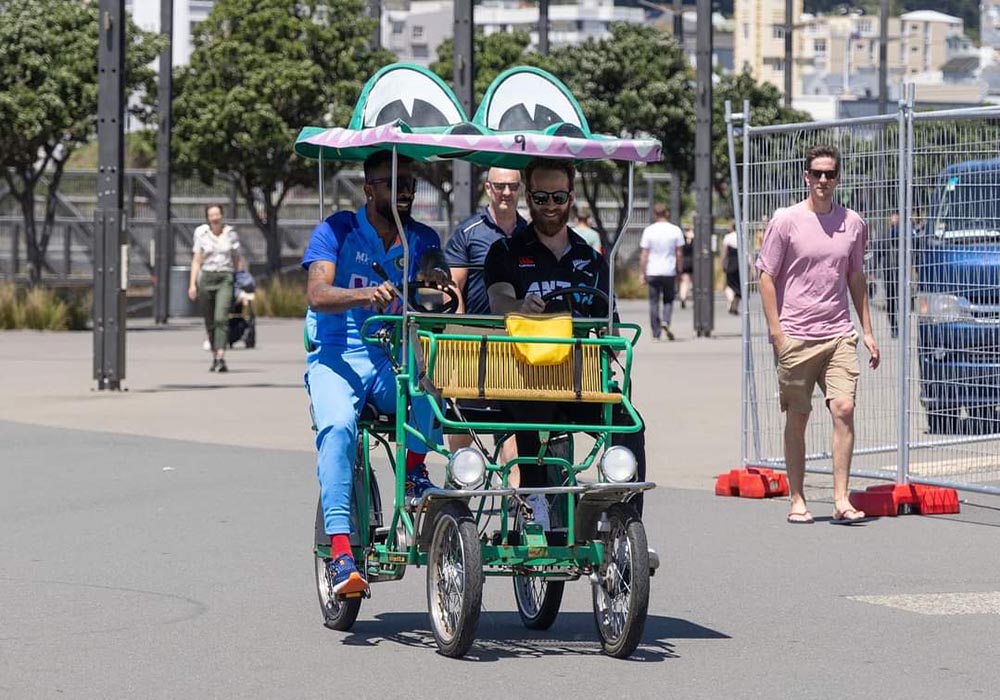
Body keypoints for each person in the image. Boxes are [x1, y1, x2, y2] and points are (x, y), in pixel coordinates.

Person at [302, 151, 449, 595]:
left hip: (389, 353)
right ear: (369, 188)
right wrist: (364, 294)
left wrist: (438, 279)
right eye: (394, 183)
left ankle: (415, 475)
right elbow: (317, 293)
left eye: (411, 184)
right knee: (340, 428)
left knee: (432, 384)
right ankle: (342, 555)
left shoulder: (421, 236)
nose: (405, 191)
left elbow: (435, 274)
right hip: (337, 353)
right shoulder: (337, 230)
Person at [484, 157, 647, 525]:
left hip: (578, 380)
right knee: (530, 413)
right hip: (523, 377)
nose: (550, 206)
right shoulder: (506, 252)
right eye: (541, 197)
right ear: (528, 197)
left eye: (558, 197)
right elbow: (499, 302)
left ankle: (624, 516)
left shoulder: (590, 259)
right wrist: (521, 307)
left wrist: (608, 338)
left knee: (630, 424)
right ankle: (536, 500)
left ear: (571, 198)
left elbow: (611, 327)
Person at [755, 144, 880, 525]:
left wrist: (868, 331)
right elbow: (766, 276)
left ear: (838, 178)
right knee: (799, 416)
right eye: (817, 173)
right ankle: (797, 498)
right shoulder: (786, 220)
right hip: (796, 335)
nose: (823, 180)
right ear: (806, 176)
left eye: (830, 174)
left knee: (844, 408)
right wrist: (777, 333)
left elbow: (855, 277)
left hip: (839, 334)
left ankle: (842, 499)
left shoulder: (853, 223)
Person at [444, 167, 526, 464]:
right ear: (488, 188)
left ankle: (517, 501)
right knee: (465, 419)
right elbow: (453, 288)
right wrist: (460, 332)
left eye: (513, 187)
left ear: (520, 189)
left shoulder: (529, 234)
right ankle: (460, 484)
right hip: (475, 343)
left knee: (513, 427)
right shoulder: (468, 233)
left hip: (516, 344)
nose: (506, 193)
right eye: (500, 186)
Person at [188, 204, 243, 372]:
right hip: (207, 277)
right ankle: (214, 353)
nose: (215, 218)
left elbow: (237, 259)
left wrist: (240, 281)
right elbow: (197, 260)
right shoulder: (201, 234)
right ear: (208, 218)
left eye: (217, 214)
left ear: (222, 215)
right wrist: (192, 284)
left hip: (225, 277)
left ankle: (221, 355)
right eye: (212, 215)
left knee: (221, 317)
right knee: (209, 320)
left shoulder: (231, 234)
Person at [639, 203, 685, 341]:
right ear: (667, 213)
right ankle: (666, 320)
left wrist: (642, 272)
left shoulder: (649, 230)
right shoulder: (675, 230)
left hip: (653, 270)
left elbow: (644, 254)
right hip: (669, 270)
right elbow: (679, 253)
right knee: (668, 299)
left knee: (653, 302)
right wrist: (680, 270)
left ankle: (656, 332)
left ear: (654, 214)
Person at [874, 212, 900, 338]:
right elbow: (877, 253)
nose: (894, 218)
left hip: (903, 274)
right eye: (893, 215)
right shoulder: (885, 235)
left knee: (902, 301)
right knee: (891, 301)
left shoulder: (904, 234)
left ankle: (902, 325)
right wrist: (872, 271)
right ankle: (894, 327)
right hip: (889, 273)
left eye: (897, 215)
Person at [721, 222, 742, 315]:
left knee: (729, 284)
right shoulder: (743, 237)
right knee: (739, 286)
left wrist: (723, 263)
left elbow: (724, 252)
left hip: (730, 263)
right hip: (740, 264)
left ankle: (730, 300)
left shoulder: (728, 237)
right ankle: (735, 306)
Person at [678, 226, 694, 308]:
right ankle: (692, 297)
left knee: (684, 282)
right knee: (693, 282)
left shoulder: (682, 241)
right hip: (694, 263)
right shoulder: (696, 240)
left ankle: (683, 297)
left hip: (684, 262)